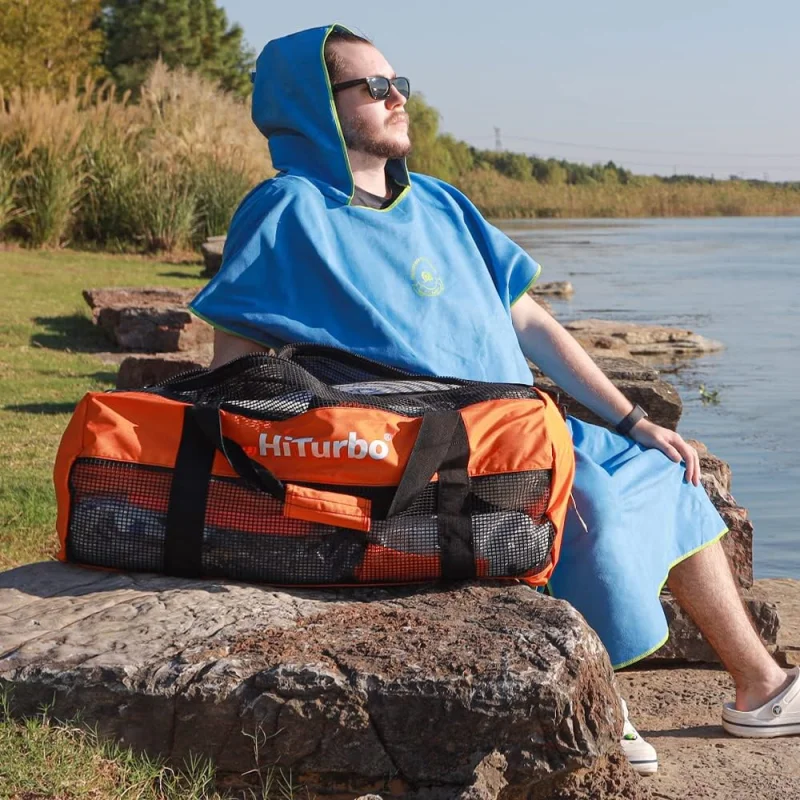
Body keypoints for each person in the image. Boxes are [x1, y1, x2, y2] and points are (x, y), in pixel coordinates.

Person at [189, 25, 800, 775]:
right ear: (315, 104)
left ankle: (762, 688)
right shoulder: (287, 209)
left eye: (398, 82)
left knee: (668, 468)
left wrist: (632, 418)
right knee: (591, 508)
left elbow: (531, 321)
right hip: (429, 449)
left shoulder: (444, 204)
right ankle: (599, 702)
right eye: (373, 87)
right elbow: (238, 358)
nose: (397, 97)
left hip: (528, 426)